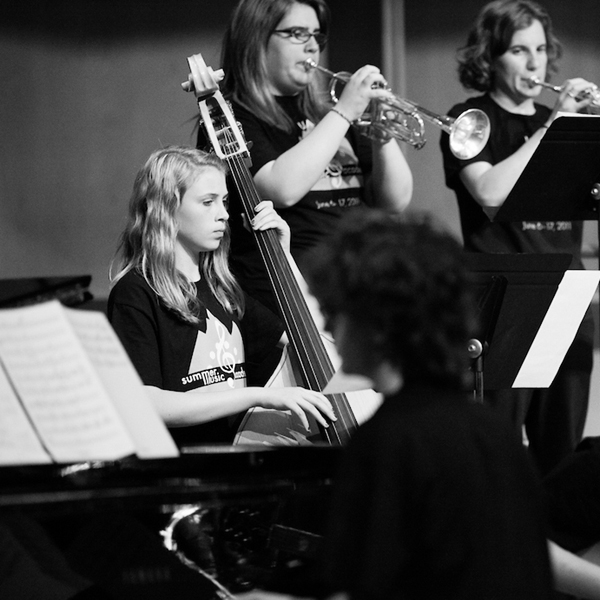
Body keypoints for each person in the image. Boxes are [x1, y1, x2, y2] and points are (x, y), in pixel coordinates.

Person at [299, 210, 553, 599]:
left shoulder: (386, 441)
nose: (328, 328)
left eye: (335, 312)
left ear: (378, 324)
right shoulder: (493, 429)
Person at [440, 0, 597, 477]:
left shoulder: (572, 123)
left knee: (561, 455)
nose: (535, 63)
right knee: (495, 453)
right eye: (518, 50)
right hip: (501, 301)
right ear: (491, 57)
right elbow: (490, 193)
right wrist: (555, 125)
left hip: (567, 299)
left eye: (542, 49)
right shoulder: (469, 118)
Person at [107, 146, 335, 446]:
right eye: (207, 202)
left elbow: (316, 341)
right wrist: (261, 396)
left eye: (224, 201)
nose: (224, 214)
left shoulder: (223, 289)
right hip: (180, 471)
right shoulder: (135, 292)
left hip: (236, 458)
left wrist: (285, 258)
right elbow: (146, 402)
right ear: (165, 208)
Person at [201, 0, 412, 312]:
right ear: (257, 39)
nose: (313, 46)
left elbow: (395, 201)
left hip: (358, 284)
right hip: (286, 294)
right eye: (297, 33)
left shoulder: (329, 113)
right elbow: (280, 189)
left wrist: (382, 134)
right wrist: (344, 112)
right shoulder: (230, 116)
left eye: (316, 35)